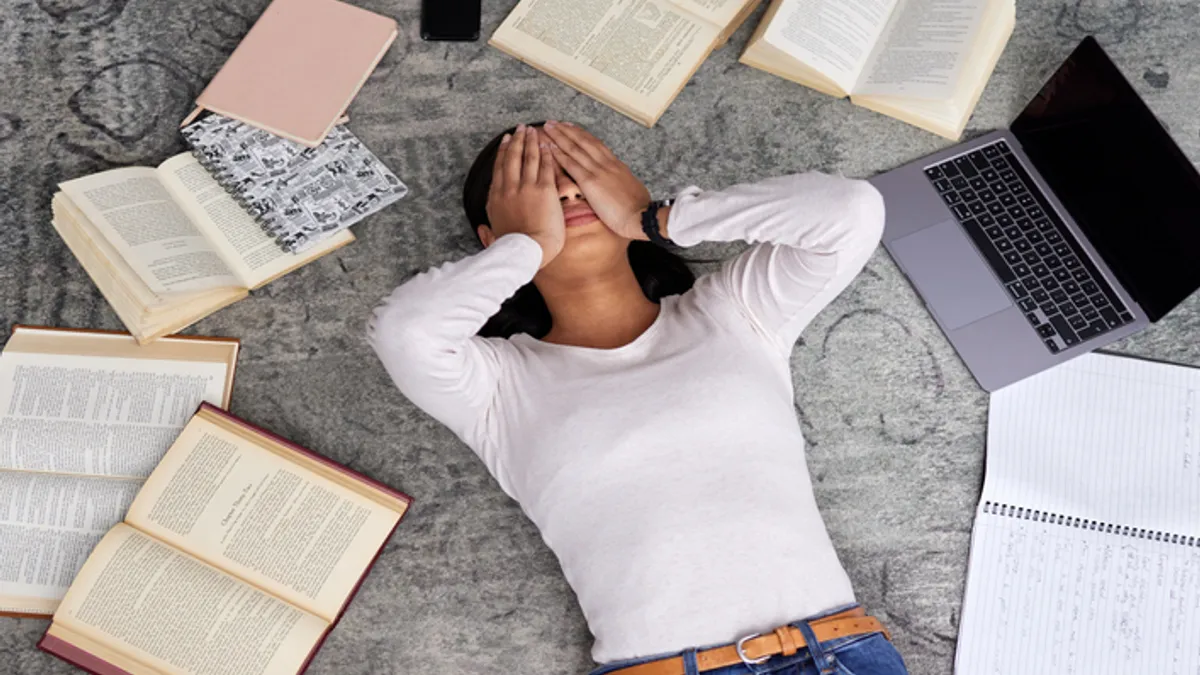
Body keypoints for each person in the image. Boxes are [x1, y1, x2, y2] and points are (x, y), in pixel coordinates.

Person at [368, 121, 907, 675]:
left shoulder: (737, 312)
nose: (567, 191)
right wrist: (525, 246)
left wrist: (656, 218)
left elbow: (851, 209)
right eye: (537, 187)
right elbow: (405, 332)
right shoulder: (495, 386)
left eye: (580, 175)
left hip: (835, 653)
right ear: (491, 241)